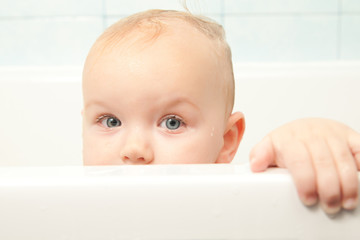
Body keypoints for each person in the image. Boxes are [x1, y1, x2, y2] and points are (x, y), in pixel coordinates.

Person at [81, 9, 359, 214]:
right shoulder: (74, 210)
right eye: (111, 120)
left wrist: (309, 140)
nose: (134, 150)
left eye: (172, 123)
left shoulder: (231, 212)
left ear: (226, 141)